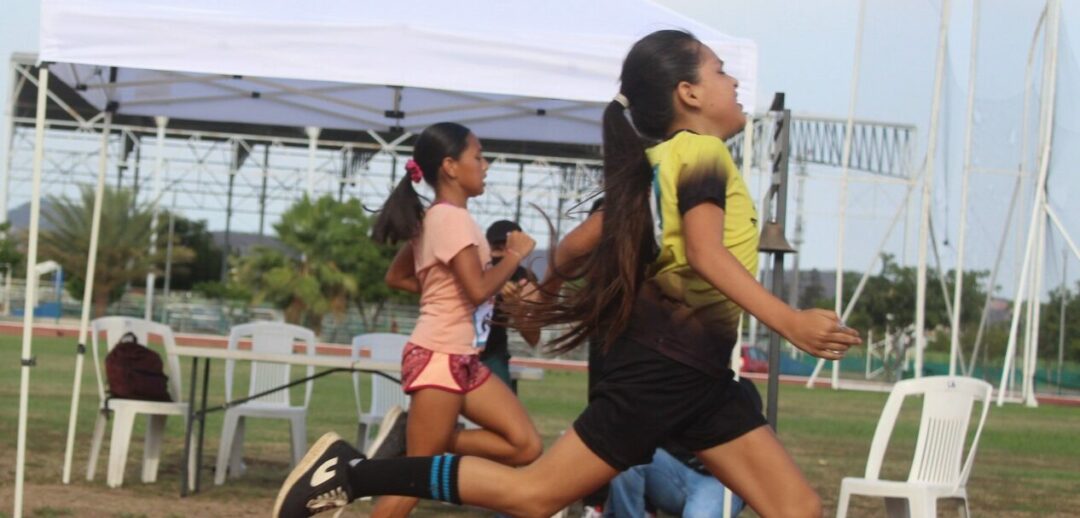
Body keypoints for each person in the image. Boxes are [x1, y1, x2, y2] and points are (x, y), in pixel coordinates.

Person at [274, 30, 860, 518]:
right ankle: (352, 473)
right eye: (721, 71)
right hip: (663, 375)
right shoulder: (702, 154)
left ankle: (355, 472)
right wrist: (789, 322)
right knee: (534, 493)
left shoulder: (655, 166)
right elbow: (707, 254)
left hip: (698, 377)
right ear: (689, 93)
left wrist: (545, 293)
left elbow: (581, 242)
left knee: (798, 508)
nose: (734, 83)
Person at [337, 122, 543, 518]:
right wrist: (514, 257)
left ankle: (416, 439)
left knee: (525, 445)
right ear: (450, 166)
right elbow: (478, 289)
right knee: (413, 481)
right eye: (478, 157)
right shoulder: (451, 220)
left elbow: (399, 275)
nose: (485, 166)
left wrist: (451, 293)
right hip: (438, 355)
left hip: (460, 357)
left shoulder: (439, 218)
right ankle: (417, 445)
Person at [604, 378, 762, 518]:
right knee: (625, 451)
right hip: (675, 470)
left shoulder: (743, 389)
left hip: (719, 482)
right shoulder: (677, 379)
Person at [479, 219, 540, 392]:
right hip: (456, 348)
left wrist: (516, 308)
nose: (504, 256)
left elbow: (533, 337)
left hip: (492, 355)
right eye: (498, 248)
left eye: (511, 250)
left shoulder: (524, 279)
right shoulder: (475, 268)